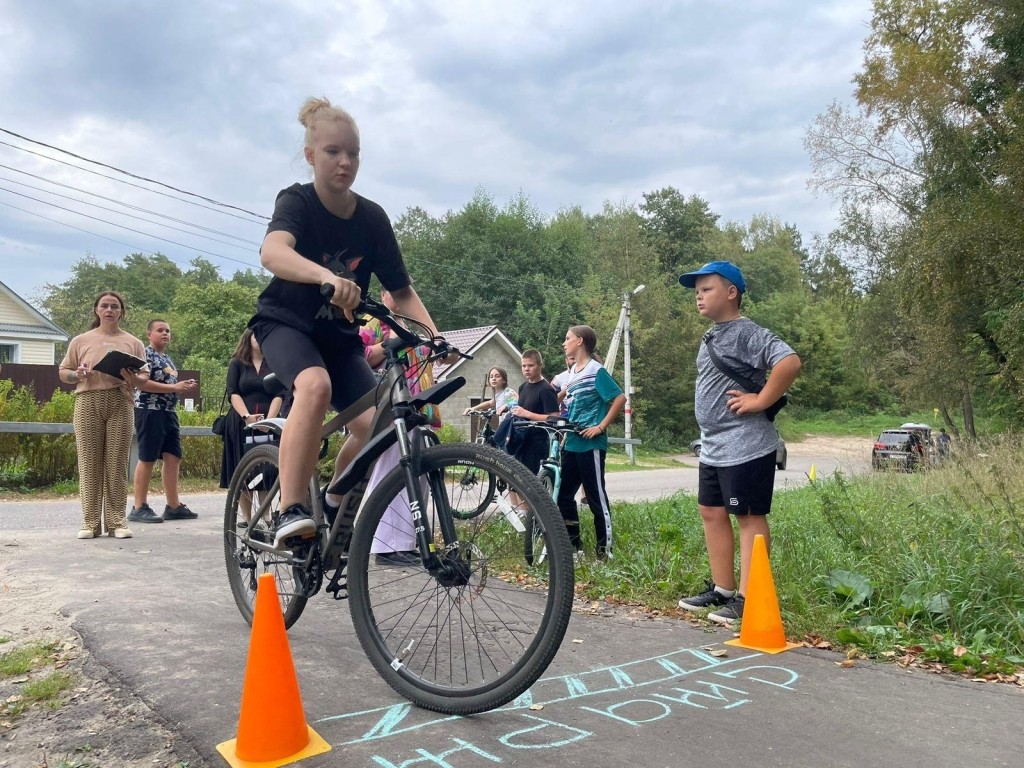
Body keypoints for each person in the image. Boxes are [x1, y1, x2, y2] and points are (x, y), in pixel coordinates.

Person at [251, 96, 448, 549]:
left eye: (353, 153)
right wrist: (326, 276)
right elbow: (273, 252)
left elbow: (401, 292)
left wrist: (435, 339)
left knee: (378, 426)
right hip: (286, 325)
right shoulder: (297, 201)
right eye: (333, 152)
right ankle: (291, 509)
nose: (344, 162)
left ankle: (336, 500)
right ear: (310, 156)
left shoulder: (373, 219)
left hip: (338, 339)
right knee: (315, 388)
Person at [675, 261, 802, 626]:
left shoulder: (747, 332)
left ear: (731, 292)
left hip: (746, 443)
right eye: (697, 291)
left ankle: (750, 597)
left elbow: (789, 362)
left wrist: (760, 400)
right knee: (711, 511)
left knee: (748, 516)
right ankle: (724, 590)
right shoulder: (713, 335)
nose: (699, 297)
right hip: (713, 444)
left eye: (707, 289)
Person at [343, 289, 442, 566]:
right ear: (384, 295)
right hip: (384, 404)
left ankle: (408, 541)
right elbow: (358, 356)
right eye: (393, 292)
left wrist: (440, 347)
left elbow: (431, 360)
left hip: (415, 405)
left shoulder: (415, 327)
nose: (400, 298)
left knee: (417, 468)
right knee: (389, 464)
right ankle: (387, 543)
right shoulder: (374, 324)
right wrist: (393, 343)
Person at [58, 291, 150, 540]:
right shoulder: (81, 340)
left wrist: (135, 379)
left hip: (121, 399)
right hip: (88, 399)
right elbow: (64, 371)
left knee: (117, 463)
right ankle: (90, 523)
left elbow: (144, 375)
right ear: (96, 310)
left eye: (115, 306)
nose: (109, 310)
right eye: (104, 306)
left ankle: (117, 521)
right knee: (89, 462)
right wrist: (76, 375)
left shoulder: (133, 342)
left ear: (121, 312)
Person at [556, 326, 626, 563]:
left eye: (568, 339)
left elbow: (619, 398)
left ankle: (604, 551)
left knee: (596, 497)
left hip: (591, 445)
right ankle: (574, 546)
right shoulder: (573, 372)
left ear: (580, 341)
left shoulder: (597, 371)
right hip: (572, 443)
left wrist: (600, 426)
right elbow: (561, 397)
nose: (564, 343)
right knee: (563, 495)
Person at [128, 319, 199, 524]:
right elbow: (141, 383)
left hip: (168, 412)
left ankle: (173, 506)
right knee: (147, 457)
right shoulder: (144, 355)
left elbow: (170, 384)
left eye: (168, 330)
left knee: (173, 456)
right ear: (149, 334)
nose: (165, 333)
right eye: (160, 330)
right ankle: (138, 506)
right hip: (149, 410)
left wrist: (182, 386)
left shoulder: (167, 358)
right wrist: (175, 388)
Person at [218, 328, 285, 523]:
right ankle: (246, 517)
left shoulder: (274, 363)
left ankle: (265, 513)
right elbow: (233, 392)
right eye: (257, 335)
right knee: (244, 469)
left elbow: (279, 394)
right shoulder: (237, 364)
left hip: (268, 422)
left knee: (266, 468)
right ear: (248, 338)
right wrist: (247, 417)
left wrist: (269, 421)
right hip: (241, 423)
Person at [508, 350, 560, 476]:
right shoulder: (523, 387)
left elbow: (555, 418)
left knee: (530, 485)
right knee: (514, 482)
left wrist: (527, 414)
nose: (526, 369)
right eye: (524, 366)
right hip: (520, 440)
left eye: (531, 365)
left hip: (537, 444)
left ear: (540, 365)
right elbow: (520, 411)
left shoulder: (546, 389)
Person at [463, 367, 518, 448]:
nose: (494, 379)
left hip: (510, 428)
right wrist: (473, 408)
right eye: (491, 376)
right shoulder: (498, 395)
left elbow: (515, 401)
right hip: (502, 427)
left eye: (497, 376)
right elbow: (489, 403)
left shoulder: (508, 391)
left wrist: (505, 406)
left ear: (504, 380)